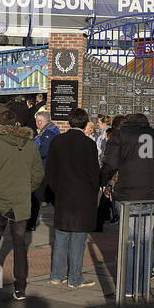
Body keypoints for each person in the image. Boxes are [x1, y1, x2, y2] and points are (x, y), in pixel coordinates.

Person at [101, 111, 154, 299]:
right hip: (151, 195)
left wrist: (103, 182)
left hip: (127, 194)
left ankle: (127, 288)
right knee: (145, 241)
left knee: (130, 242)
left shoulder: (120, 135)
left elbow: (109, 164)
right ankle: (142, 288)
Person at [0, 106, 44, 301]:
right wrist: (26, 189)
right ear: (16, 124)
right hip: (21, 201)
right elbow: (38, 174)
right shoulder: (30, 145)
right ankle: (20, 287)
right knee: (19, 243)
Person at [44, 108, 100, 290]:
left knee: (60, 237)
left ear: (69, 122)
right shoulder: (89, 144)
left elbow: (50, 172)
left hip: (63, 195)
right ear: (85, 124)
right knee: (78, 239)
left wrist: (55, 191)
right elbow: (94, 175)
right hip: (83, 197)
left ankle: (56, 275)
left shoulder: (57, 141)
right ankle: (75, 278)